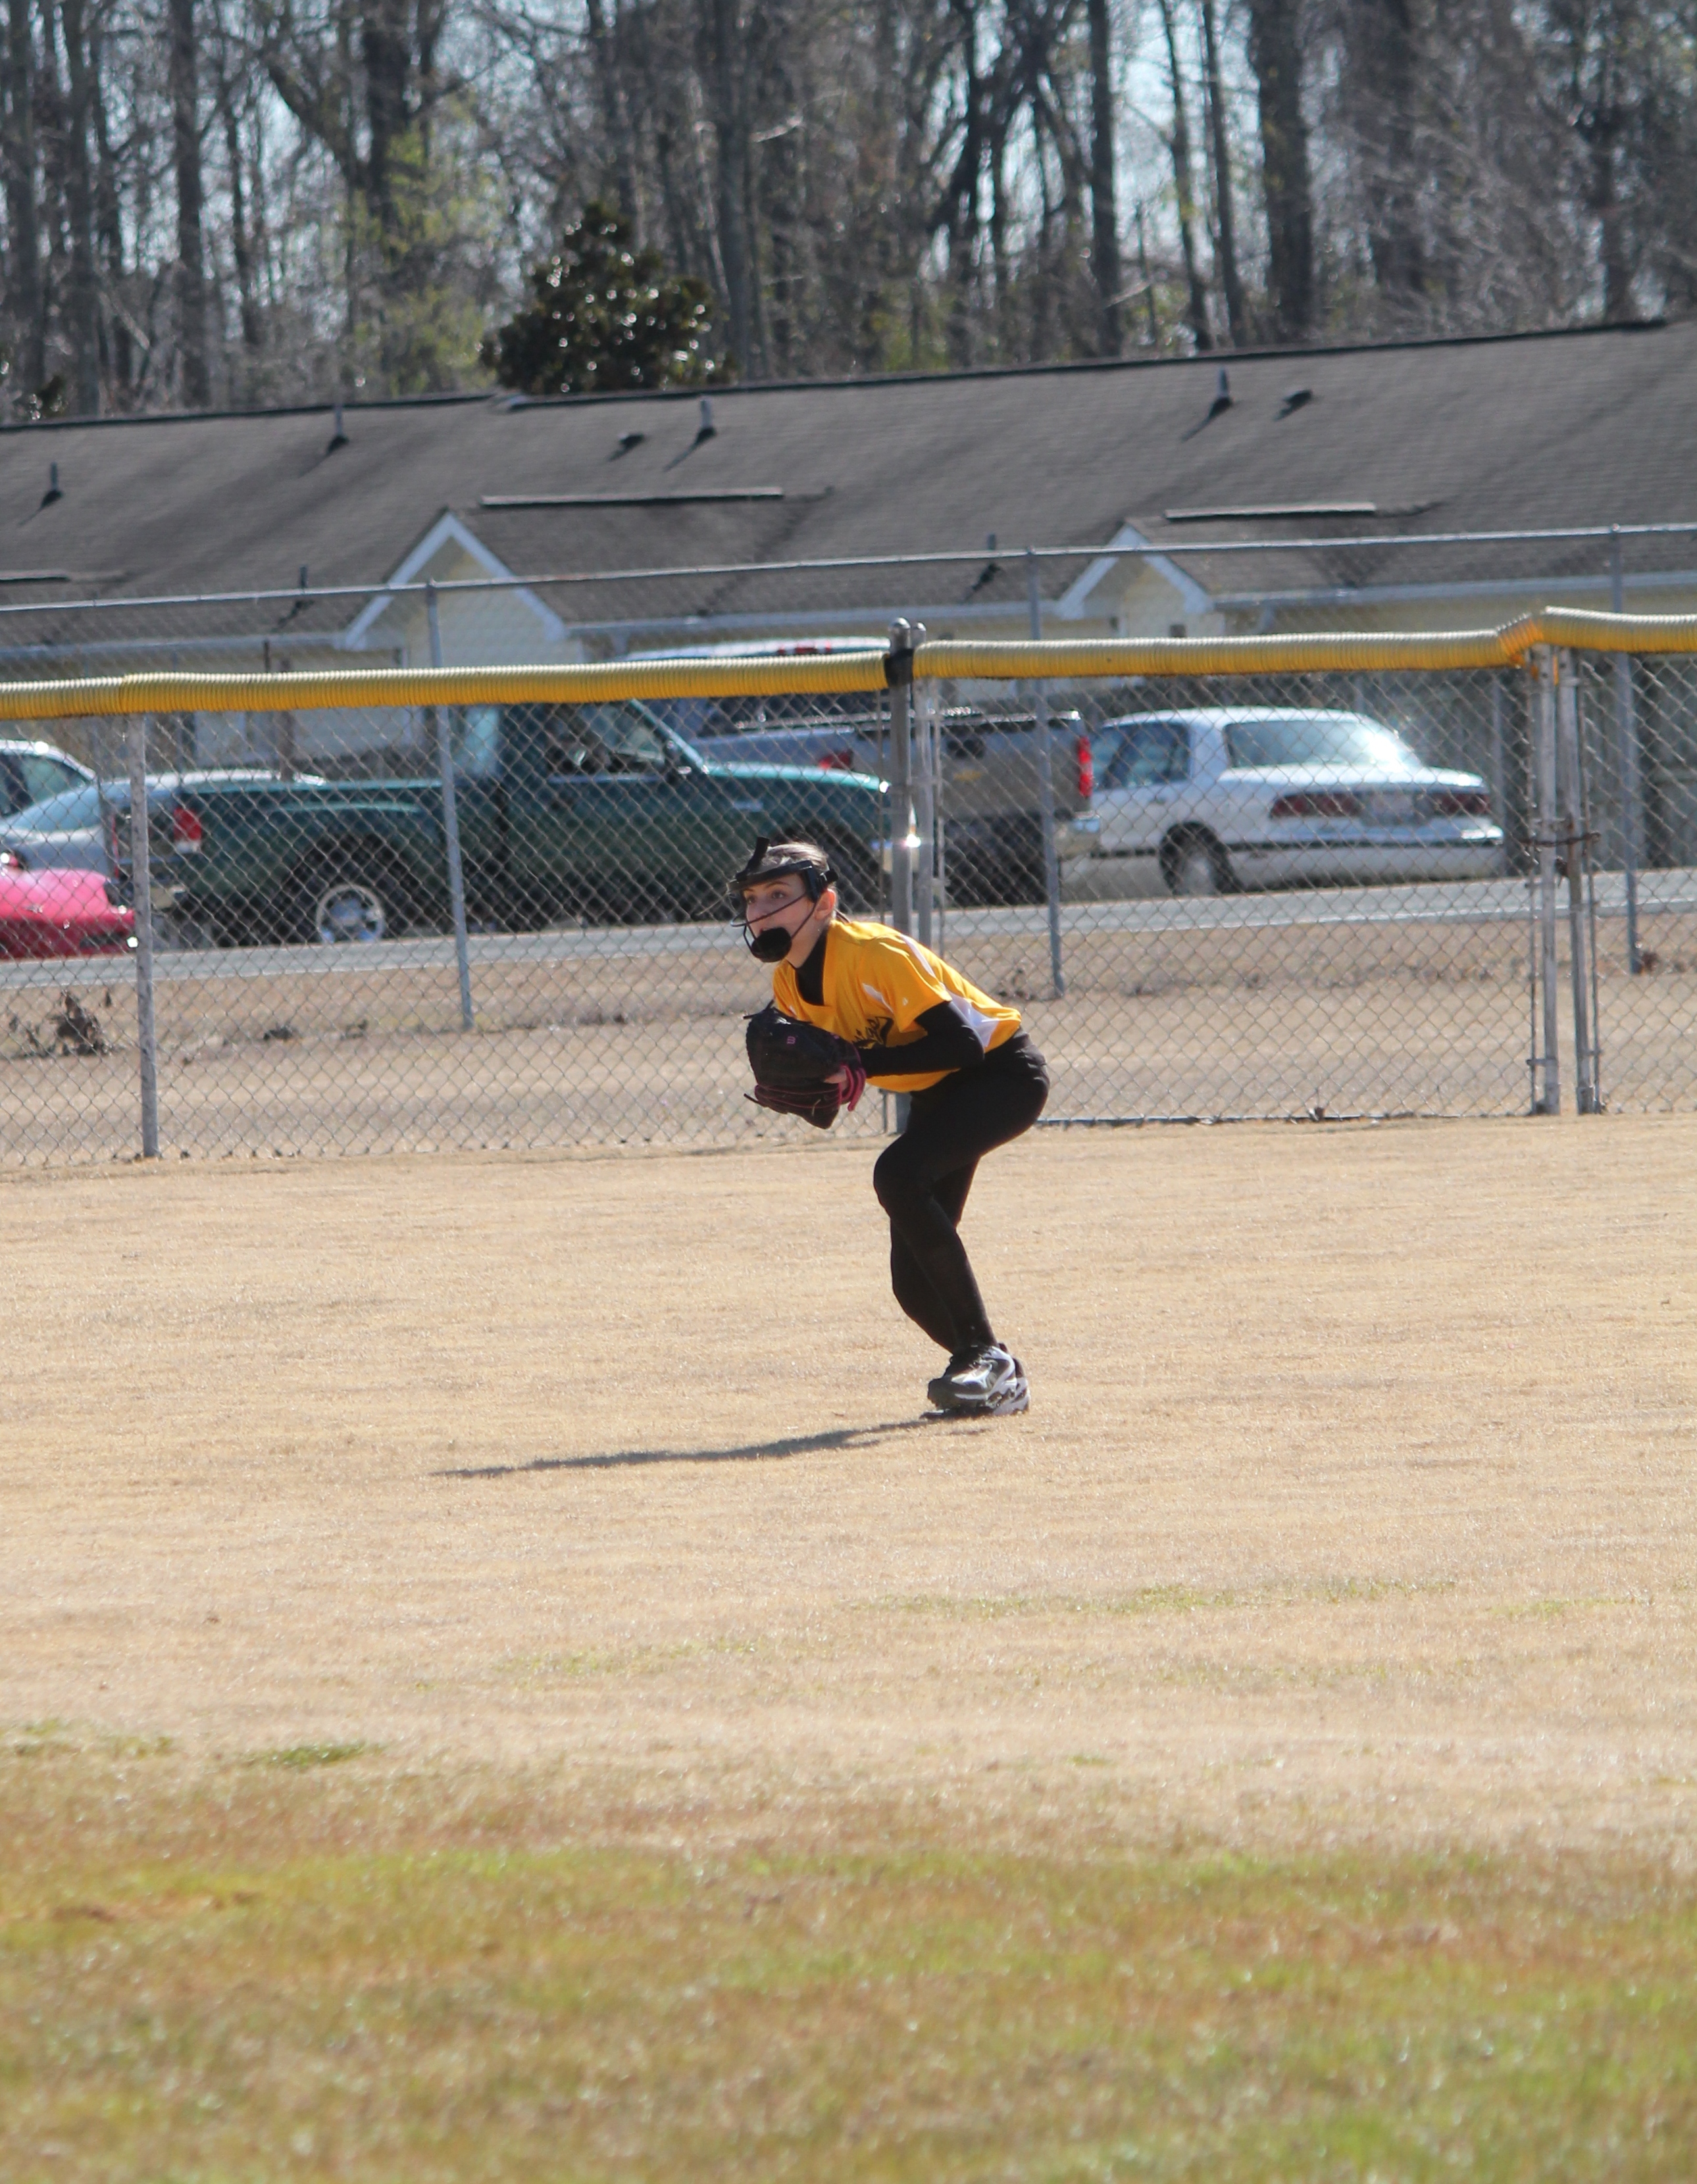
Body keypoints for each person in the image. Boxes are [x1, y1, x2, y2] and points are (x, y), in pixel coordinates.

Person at [735, 837, 1049, 1414]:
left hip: (1001, 1076)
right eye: (752, 899)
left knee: (898, 1174)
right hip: (938, 1090)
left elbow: (961, 1043)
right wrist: (816, 1092)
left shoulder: (873, 952)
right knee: (911, 1284)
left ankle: (982, 1353)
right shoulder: (787, 985)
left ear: (824, 903)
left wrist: (860, 1065)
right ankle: (992, 1371)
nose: (761, 912)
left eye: (778, 895)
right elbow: (841, 1066)